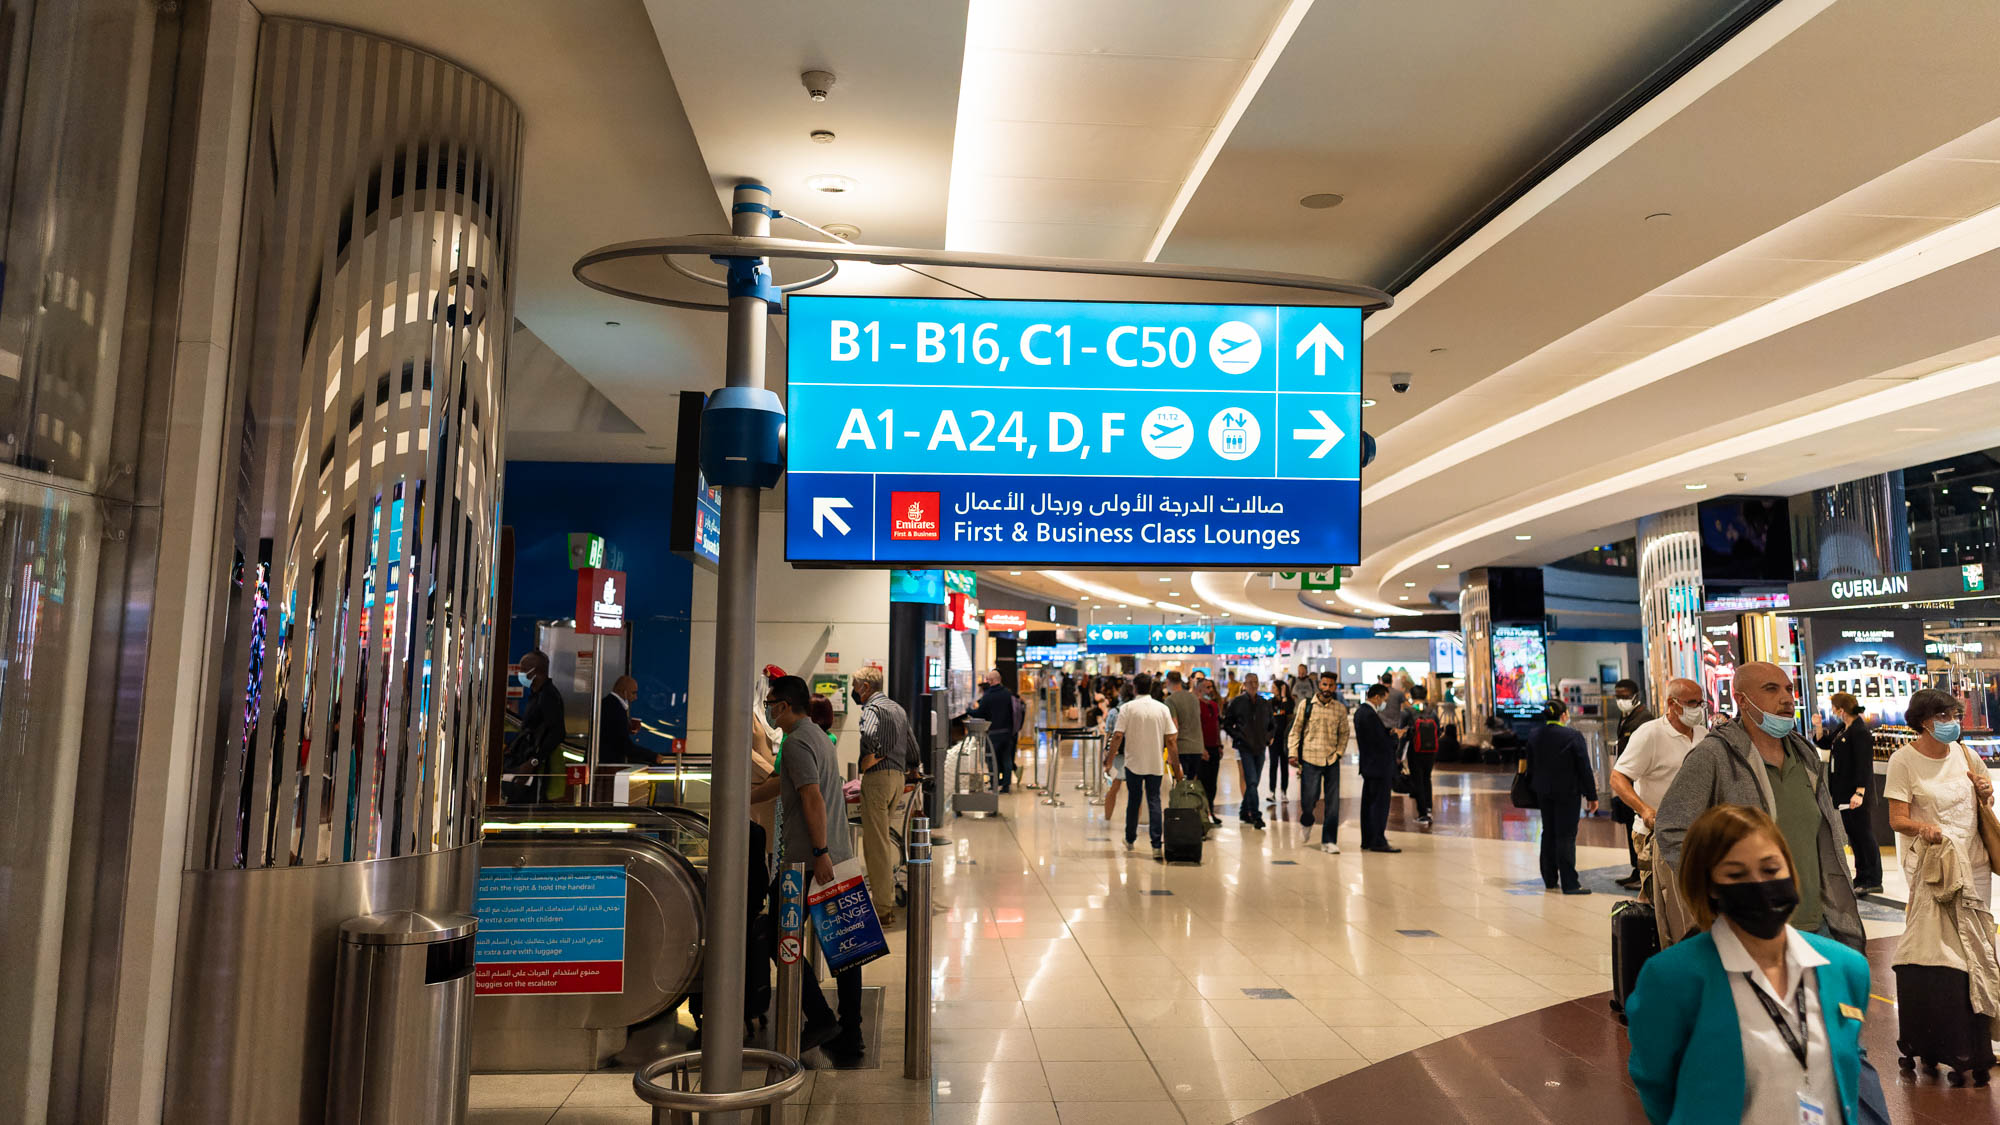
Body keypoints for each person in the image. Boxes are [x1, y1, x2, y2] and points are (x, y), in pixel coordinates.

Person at [1626, 804, 1874, 1125]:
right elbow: (1655, 1084)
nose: (1759, 885)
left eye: (1771, 870)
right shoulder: (1672, 979)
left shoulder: (1846, 968)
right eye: (1736, 875)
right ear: (1710, 886)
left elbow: (1849, 1070)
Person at [1654, 661, 1866, 952]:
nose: (1786, 698)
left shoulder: (1804, 755)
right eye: (1771, 689)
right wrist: (1720, 895)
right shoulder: (1713, 756)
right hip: (1747, 931)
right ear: (1741, 699)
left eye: (1789, 689)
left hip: (1818, 927)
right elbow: (1672, 829)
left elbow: (1822, 834)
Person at [751, 676, 864, 1065]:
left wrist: (819, 853)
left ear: (784, 705)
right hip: (838, 854)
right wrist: (743, 795)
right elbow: (787, 781)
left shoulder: (797, 741)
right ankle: (852, 1035)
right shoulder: (815, 736)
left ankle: (819, 1017)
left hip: (808, 863)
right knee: (846, 948)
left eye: (770, 703)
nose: (768, 709)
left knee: (777, 937)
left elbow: (811, 797)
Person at [1886, 687, 1995, 908]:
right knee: (1940, 938)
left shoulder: (1964, 753)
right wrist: (1924, 828)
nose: (1952, 722)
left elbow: (1986, 798)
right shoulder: (1903, 761)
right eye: (1943, 716)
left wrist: (1985, 793)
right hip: (1934, 867)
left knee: (1979, 936)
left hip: (1975, 863)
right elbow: (1897, 820)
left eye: (1955, 716)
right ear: (1922, 721)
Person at [1610, 677, 1705, 901]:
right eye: (1692, 703)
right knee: (1658, 902)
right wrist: (1645, 810)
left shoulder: (1702, 735)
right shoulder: (1649, 734)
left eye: (1701, 703)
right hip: (1655, 835)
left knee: (1692, 901)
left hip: (1695, 834)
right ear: (1672, 704)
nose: (1698, 709)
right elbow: (1618, 777)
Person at [852, 667, 915, 927]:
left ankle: (883, 908)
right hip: (897, 780)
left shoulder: (872, 709)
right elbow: (912, 746)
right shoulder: (898, 709)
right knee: (884, 842)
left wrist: (869, 758)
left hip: (878, 779)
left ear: (866, 687)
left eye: (856, 686)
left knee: (875, 846)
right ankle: (885, 898)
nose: (854, 691)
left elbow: (868, 735)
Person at [1527, 698, 1598, 894]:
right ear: (1564, 715)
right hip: (1568, 792)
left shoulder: (1534, 735)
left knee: (1548, 832)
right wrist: (1591, 795)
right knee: (1566, 836)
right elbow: (1584, 767)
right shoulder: (1572, 736)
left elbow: (1529, 765)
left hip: (1543, 791)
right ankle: (1570, 883)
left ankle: (1549, 879)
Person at [1106, 672, 1180, 857]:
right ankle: (1156, 845)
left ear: (1135, 688)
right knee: (1154, 800)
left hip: (1133, 763)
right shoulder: (1162, 709)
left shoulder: (1128, 708)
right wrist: (1177, 768)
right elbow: (1171, 740)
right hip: (1155, 763)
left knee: (1134, 800)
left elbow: (1117, 736)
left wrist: (1109, 760)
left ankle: (1130, 839)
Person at [1821, 692, 1883, 895]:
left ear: (1841, 709)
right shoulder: (1843, 728)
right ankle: (1861, 875)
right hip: (1843, 792)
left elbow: (1864, 765)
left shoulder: (1860, 732)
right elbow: (1824, 743)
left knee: (1864, 835)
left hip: (1856, 795)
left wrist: (1859, 792)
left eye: (1834, 708)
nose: (1833, 712)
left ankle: (1873, 877)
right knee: (1853, 835)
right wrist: (1817, 726)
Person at [1288, 670, 1353, 854]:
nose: (1327, 688)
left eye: (1331, 685)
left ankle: (1329, 841)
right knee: (1309, 799)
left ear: (1335, 687)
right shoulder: (1306, 705)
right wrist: (1293, 753)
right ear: (1319, 685)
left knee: (1333, 803)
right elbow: (1296, 730)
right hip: (1310, 759)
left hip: (1332, 760)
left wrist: (1339, 753)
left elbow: (1344, 733)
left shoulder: (1339, 709)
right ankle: (1307, 820)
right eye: (1324, 685)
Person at [1613, 678, 1659, 888]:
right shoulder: (1627, 717)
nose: (1621, 700)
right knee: (1630, 827)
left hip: (1637, 781)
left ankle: (1642, 873)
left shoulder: (1644, 719)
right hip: (1626, 779)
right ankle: (1635, 869)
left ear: (1635, 696)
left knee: (1640, 829)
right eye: (1618, 696)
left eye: (1624, 696)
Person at [503, 649, 565, 803]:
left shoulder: (548, 696)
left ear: (535, 672)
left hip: (537, 768)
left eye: (523, 670)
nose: (520, 674)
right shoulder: (536, 694)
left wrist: (533, 761)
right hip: (527, 761)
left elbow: (557, 732)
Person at [1354, 682, 1400, 853]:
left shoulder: (1362, 713)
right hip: (1378, 767)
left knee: (1369, 804)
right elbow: (1379, 743)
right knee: (1379, 805)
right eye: (1384, 699)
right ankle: (1378, 841)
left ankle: (1368, 839)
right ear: (1376, 697)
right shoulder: (1369, 715)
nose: (1384, 703)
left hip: (1369, 766)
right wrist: (1394, 738)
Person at [1223, 673, 1272, 829]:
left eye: (1255, 682)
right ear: (1244, 684)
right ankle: (1256, 815)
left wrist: (1268, 737)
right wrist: (1239, 736)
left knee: (1254, 782)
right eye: (1250, 682)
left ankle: (1244, 811)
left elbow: (1272, 724)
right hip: (1245, 747)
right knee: (1250, 780)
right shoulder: (1237, 702)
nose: (1253, 685)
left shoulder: (1264, 703)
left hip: (1260, 747)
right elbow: (1227, 724)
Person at [959, 669, 1018, 793]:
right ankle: (1006, 785)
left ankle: (994, 783)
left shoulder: (988, 695)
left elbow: (980, 713)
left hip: (994, 732)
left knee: (992, 760)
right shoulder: (1008, 694)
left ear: (990, 681)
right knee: (1006, 758)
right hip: (1007, 732)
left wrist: (968, 710)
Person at [1164, 671, 1206, 813]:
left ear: (1168, 682)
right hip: (1197, 746)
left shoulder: (1170, 700)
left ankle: (1183, 816)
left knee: (1181, 786)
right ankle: (1194, 815)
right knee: (1192, 785)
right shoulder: (1193, 698)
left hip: (1182, 748)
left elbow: (1174, 726)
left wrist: (1171, 753)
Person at [1401, 685, 1440, 827]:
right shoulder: (1432, 711)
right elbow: (1438, 730)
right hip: (1431, 751)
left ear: (1411, 695)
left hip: (1415, 750)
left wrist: (1399, 754)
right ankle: (1428, 809)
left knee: (1417, 780)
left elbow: (1402, 734)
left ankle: (1422, 813)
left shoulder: (1408, 712)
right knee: (1426, 778)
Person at [598, 675, 648, 765]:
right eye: (633, 693)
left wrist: (627, 729)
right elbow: (623, 744)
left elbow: (613, 732)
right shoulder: (615, 708)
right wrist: (652, 756)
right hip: (607, 762)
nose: (635, 697)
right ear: (624, 692)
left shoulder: (609, 703)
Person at [1196, 677, 1225, 825]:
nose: (1210, 690)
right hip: (1202, 750)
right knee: (1202, 783)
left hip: (1214, 748)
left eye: (1211, 687)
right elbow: (1196, 729)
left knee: (1212, 784)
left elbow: (1216, 726)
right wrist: (1201, 748)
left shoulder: (1214, 705)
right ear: (1199, 690)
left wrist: (1219, 745)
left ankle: (1211, 811)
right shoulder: (1196, 705)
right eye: (1207, 687)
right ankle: (1202, 814)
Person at [1101, 682, 1131, 820]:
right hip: (1134, 753)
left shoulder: (1114, 712)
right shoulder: (1136, 711)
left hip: (1117, 754)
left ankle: (1107, 817)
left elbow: (1110, 735)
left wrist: (1107, 755)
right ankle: (1134, 819)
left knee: (1114, 787)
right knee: (1135, 791)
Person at [1268, 679, 1295, 805]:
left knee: (1284, 766)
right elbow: (1268, 720)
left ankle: (1284, 791)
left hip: (1285, 739)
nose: (1271, 689)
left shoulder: (1289, 702)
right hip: (1274, 739)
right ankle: (1272, 792)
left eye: (1274, 687)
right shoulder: (1270, 702)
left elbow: (1287, 711)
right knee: (1273, 764)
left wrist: (1284, 697)